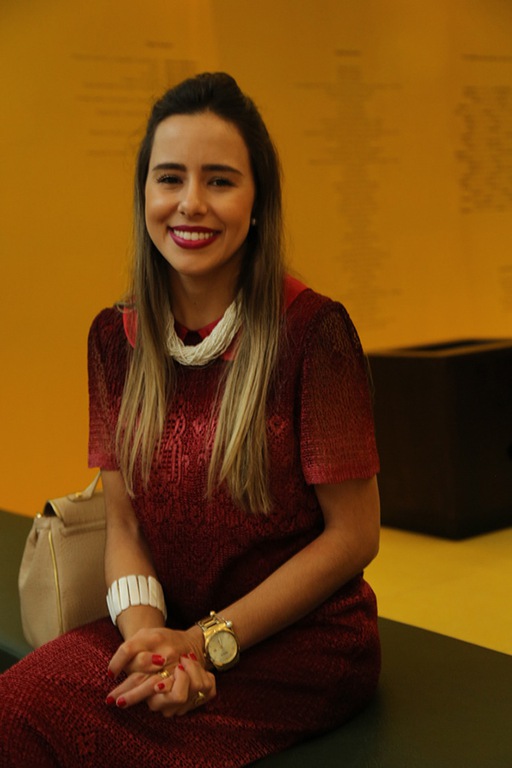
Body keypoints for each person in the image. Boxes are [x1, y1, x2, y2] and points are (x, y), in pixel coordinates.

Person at [0, 72, 381, 767]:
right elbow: (123, 526)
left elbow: (353, 536)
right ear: (144, 195)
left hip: (297, 647)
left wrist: (206, 645)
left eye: (221, 180)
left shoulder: (313, 333)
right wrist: (151, 645)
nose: (191, 203)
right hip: (165, 625)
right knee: (14, 708)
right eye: (170, 178)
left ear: (258, 203)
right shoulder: (113, 339)